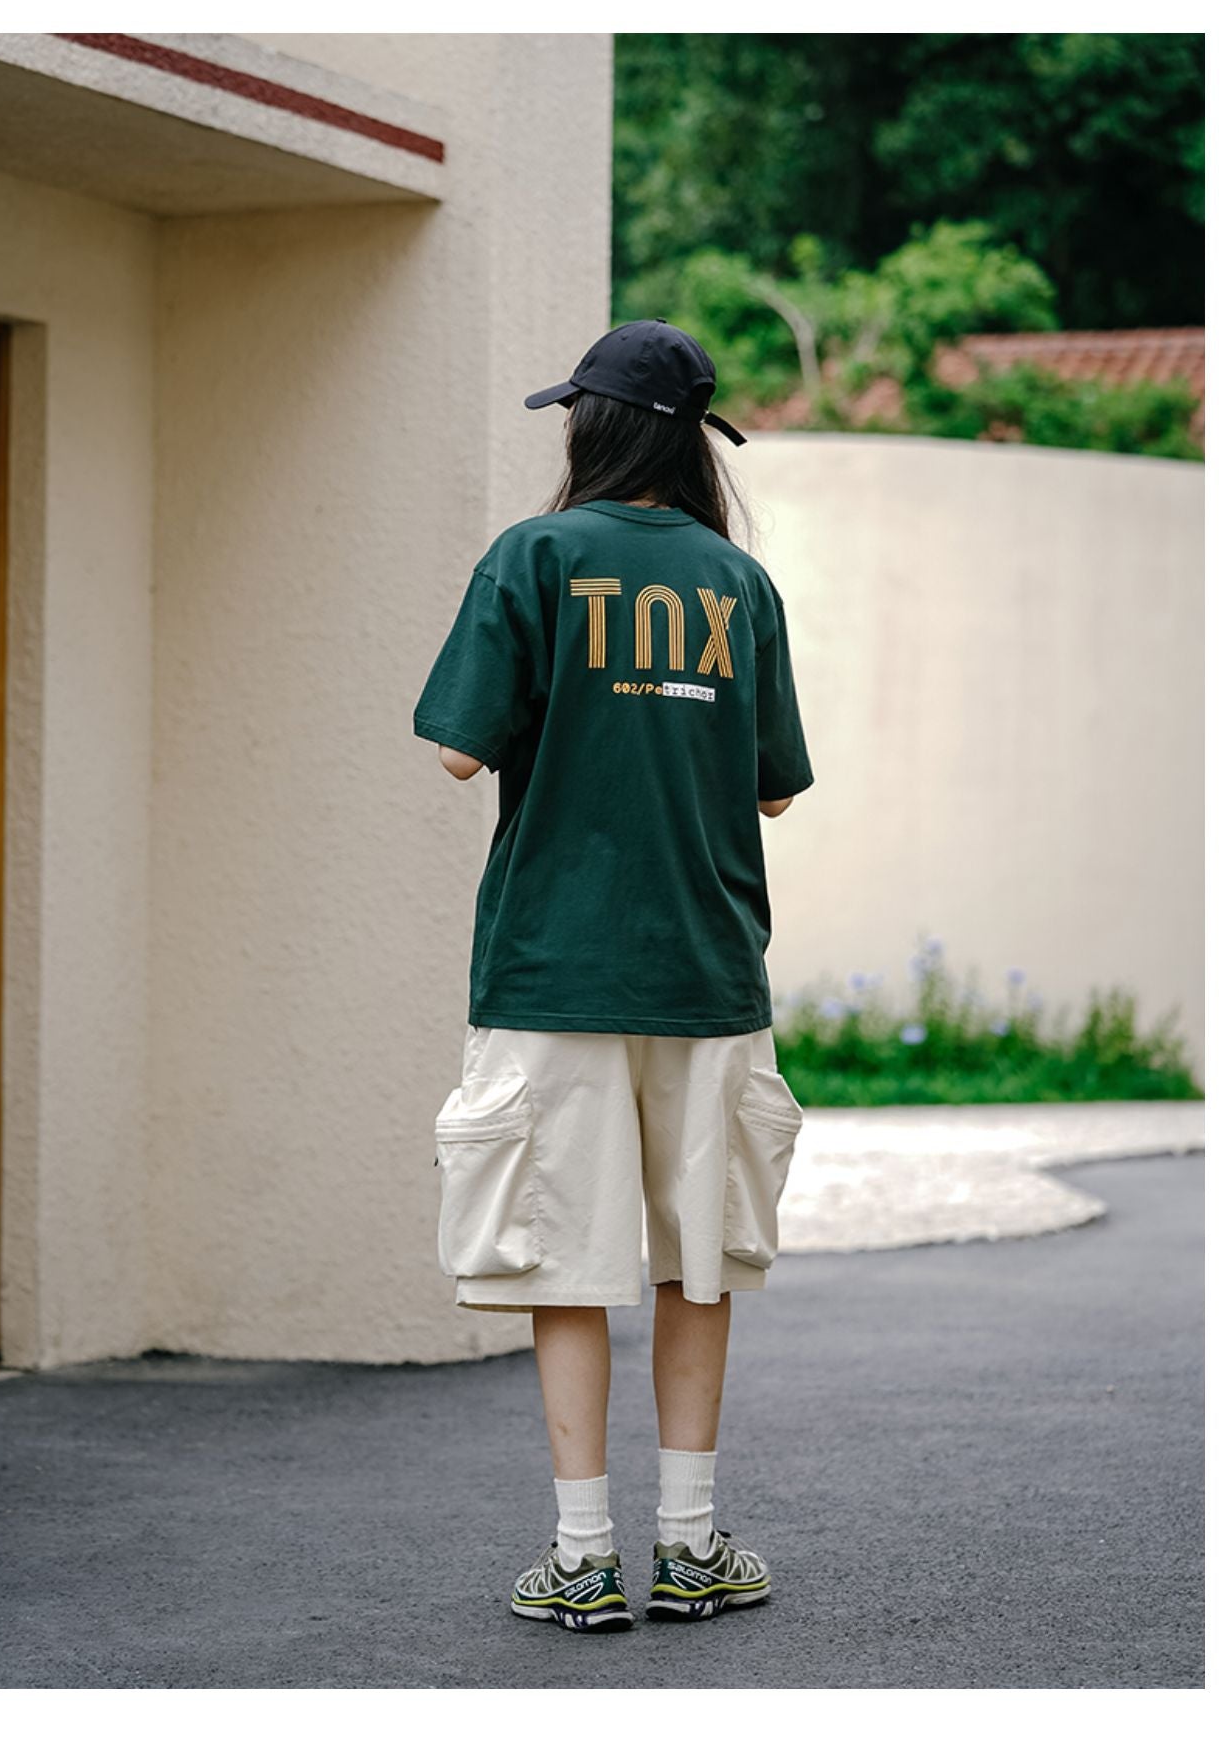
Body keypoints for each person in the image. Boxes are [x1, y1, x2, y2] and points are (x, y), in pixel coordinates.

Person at [412, 319, 813, 1633]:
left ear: (591, 425)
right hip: (706, 968)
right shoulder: (739, 584)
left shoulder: (532, 557)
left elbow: (460, 749)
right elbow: (774, 788)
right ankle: (690, 1545)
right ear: (694, 443)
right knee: (699, 1263)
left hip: (553, 969)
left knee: (564, 1262)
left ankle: (582, 1556)